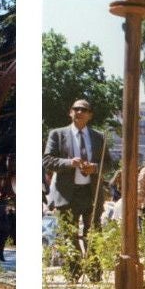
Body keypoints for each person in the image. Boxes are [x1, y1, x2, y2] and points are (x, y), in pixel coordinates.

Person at [43, 98, 108, 243]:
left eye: (84, 110)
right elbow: (47, 160)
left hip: (91, 193)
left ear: (90, 115)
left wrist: (95, 168)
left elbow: (108, 163)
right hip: (67, 194)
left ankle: (93, 266)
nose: (79, 112)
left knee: (94, 234)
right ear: (70, 113)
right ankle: (74, 266)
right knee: (69, 237)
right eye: (76, 109)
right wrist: (68, 163)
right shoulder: (57, 134)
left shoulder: (99, 137)